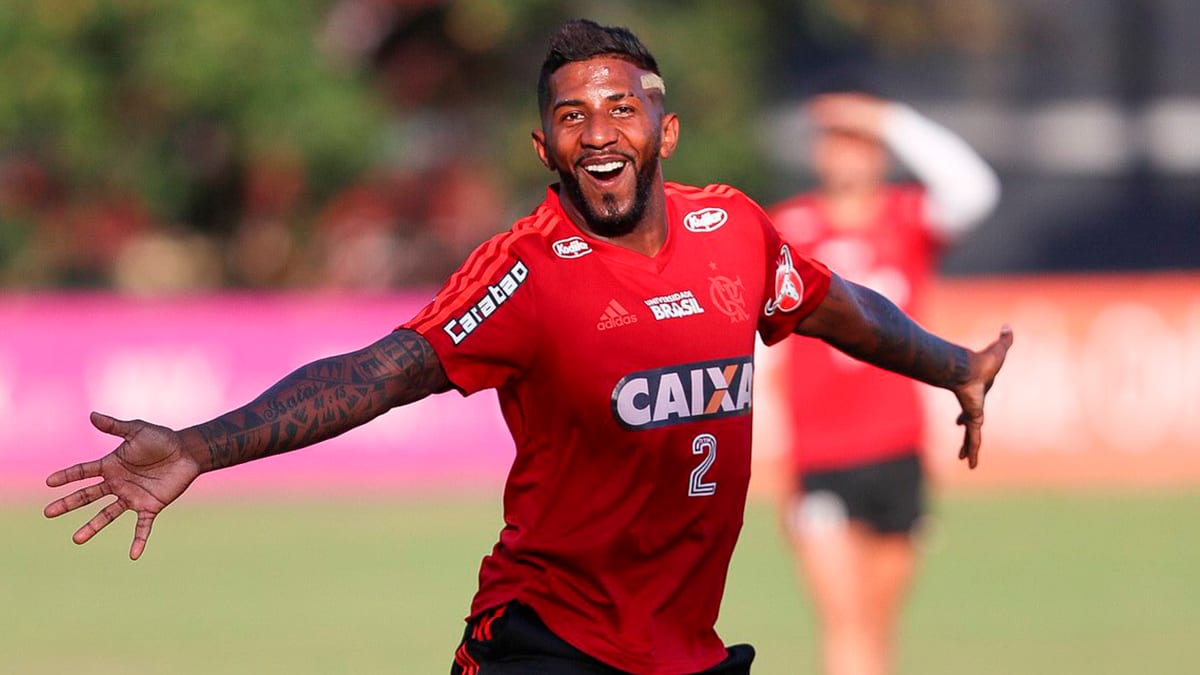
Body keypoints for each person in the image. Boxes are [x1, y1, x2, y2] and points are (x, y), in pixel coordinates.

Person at [44, 20, 1011, 675]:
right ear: (543, 148)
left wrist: (954, 367)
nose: (598, 133)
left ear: (663, 130)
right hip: (546, 642)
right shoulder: (527, 270)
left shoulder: (736, 231)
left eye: (620, 110)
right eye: (571, 116)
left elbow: (844, 308)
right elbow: (379, 371)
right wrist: (204, 445)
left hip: (683, 650)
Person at [764, 91, 1001, 675]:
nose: (844, 154)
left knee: (876, 626)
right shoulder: (787, 230)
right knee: (842, 624)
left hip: (895, 450)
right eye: (833, 140)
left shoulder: (907, 219)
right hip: (818, 455)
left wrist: (889, 117)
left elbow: (975, 190)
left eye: (858, 141)